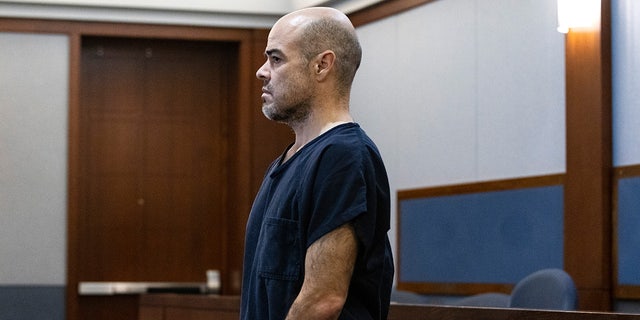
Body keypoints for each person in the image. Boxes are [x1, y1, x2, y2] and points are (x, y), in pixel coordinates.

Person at [240, 7, 394, 320]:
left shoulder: (343, 157)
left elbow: (322, 301)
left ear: (322, 66)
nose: (262, 71)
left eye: (276, 59)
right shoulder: (289, 160)